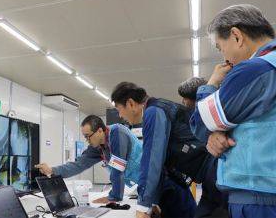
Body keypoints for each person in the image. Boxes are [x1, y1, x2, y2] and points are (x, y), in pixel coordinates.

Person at [189, 4, 276, 218]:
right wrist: (217, 133)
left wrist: (211, 85)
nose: (225, 58)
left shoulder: (255, 69)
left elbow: (200, 122)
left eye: (220, 47)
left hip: (259, 197)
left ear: (236, 36)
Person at [111, 82, 213, 218]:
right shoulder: (158, 108)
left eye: (118, 109)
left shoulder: (153, 112)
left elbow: (152, 160)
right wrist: (152, 200)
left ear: (130, 103)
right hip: (194, 176)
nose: (120, 115)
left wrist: (143, 205)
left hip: (210, 173)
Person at [36, 115, 143, 204]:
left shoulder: (117, 133)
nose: (87, 140)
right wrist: (52, 170)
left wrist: (113, 197)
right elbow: (79, 165)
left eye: (88, 136)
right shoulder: (97, 146)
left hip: (150, 177)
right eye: (85, 137)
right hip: (137, 182)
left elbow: (118, 168)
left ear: (100, 130)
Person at [179, 78, 229, 218]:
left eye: (185, 99)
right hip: (209, 186)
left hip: (222, 189)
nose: (183, 103)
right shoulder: (191, 123)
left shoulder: (213, 123)